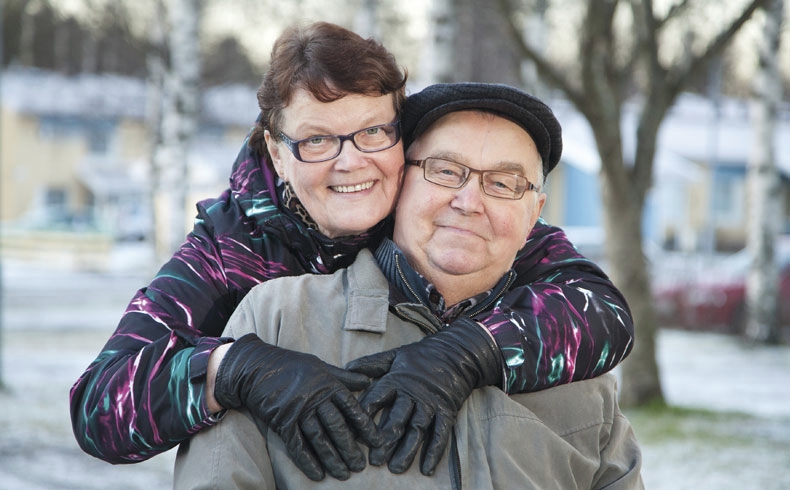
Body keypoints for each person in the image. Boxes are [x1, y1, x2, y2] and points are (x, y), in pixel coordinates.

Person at [69, 21, 634, 482]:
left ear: (401, 137)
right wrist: (232, 367)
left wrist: (472, 349)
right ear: (277, 149)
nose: (351, 163)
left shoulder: (445, 207)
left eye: (372, 132)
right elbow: (98, 407)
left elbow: (604, 314)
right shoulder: (231, 248)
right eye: (316, 139)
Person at [172, 82, 644, 489]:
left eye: (503, 183)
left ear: (533, 214)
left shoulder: (577, 368)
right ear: (399, 184)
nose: (468, 201)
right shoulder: (276, 320)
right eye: (444, 170)